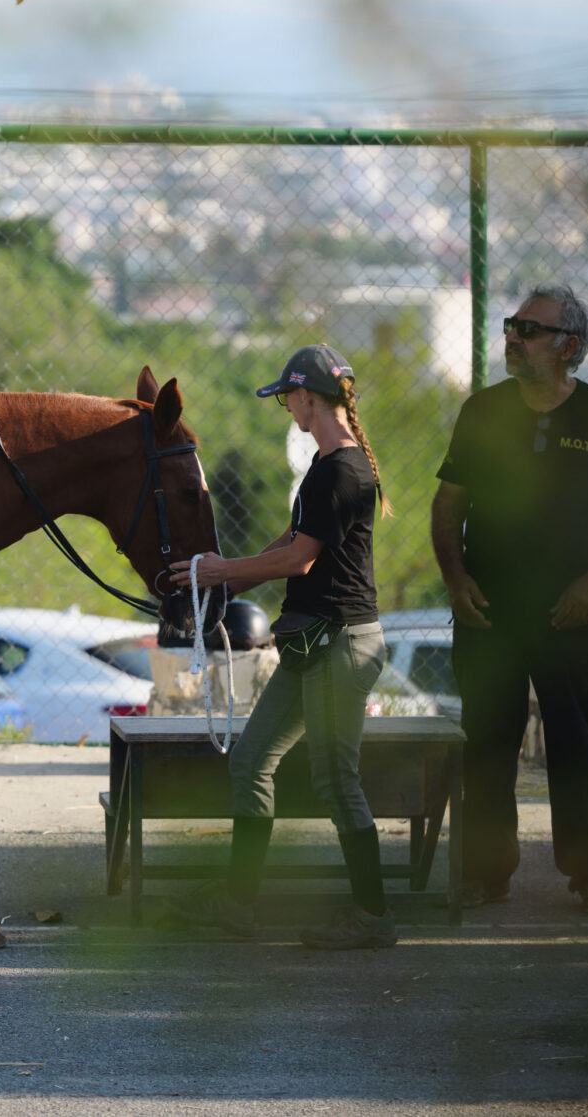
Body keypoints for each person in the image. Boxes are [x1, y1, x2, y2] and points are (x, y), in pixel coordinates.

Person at [431, 285, 588, 917]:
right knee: (487, 743)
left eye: (529, 330)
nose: (513, 339)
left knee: (580, 743)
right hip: (490, 613)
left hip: (575, 615)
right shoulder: (483, 412)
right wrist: (455, 578)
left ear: (568, 347)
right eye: (511, 326)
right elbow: (449, 506)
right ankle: (484, 875)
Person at [171, 343, 397, 950]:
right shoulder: (328, 468)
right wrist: (225, 576)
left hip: (340, 644)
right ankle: (240, 904)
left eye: (288, 397)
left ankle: (373, 917)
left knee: (333, 779)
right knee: (251, 761)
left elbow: (300, 558)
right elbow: (292, 540)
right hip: (313, 644)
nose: (286, 407)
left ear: (308, 397)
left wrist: (223, 572)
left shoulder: (341, 469)